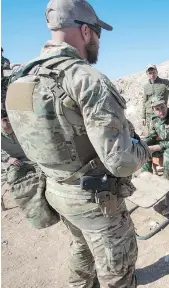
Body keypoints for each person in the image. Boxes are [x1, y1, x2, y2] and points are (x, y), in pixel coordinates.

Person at [5, 0, 150, 287]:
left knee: (82, 249)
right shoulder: (86, 80)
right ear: (85, 31)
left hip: (57, 191)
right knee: (117, 271)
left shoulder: (21, 81)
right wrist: (142, 149)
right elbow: (120, 161)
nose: (98, 40)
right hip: (94, 200)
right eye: (97, 33)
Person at [141, 97, 169, 215]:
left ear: (166, 105)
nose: (161, 111)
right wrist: (144, 144)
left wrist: (157, 147)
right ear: (153, 109)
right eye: (157, 109)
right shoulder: (154, 118)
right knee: (145, 152)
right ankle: (147, 186)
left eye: (162, 107)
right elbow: (153, 136)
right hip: (165, 145)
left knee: (168, 156)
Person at [142, 64, 169, 130]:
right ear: (147, 74)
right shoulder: (146, 87)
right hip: (149, 116)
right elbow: (144, 101)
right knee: (152, 135)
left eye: (154, 72)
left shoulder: (164, 83)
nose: (152, 75)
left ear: (157, 72)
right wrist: (143, 117)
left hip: (161, 113)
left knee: (164, 134)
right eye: (150, 73)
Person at [1, 109, 35, 184]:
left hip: (34, 159)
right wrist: (8, 159)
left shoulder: (22, 128)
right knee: (12, 181)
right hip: (18, 162)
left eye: (9, 118)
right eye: (4, 119)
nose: (8, 121)